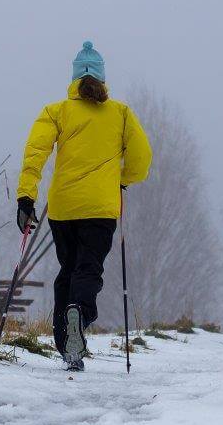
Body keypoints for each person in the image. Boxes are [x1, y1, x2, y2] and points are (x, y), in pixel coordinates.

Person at [16, 41, 152, 371]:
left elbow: (36, 153)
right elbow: (142, 158)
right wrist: (122, 179)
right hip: (100, 210)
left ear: (74, 79)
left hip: (64, 209)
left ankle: (67, 347)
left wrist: (26, 198)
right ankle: (80, 312)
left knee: (68, 269)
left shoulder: (56, 111)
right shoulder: (120, 113)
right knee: (88, 269)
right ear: (102, 78)